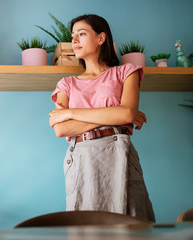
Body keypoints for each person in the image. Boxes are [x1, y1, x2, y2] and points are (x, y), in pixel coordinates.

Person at [49, 14, 155, 222]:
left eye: (81, 34)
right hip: (81, 158)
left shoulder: (126, 72)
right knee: (86, 227)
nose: (75, 41)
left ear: (101, 38)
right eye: (73, 37)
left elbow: (125, 113)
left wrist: (70, 113)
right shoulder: (66, 84)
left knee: (133, 222)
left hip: (119, 152)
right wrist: (116, 115)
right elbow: (61, 130)